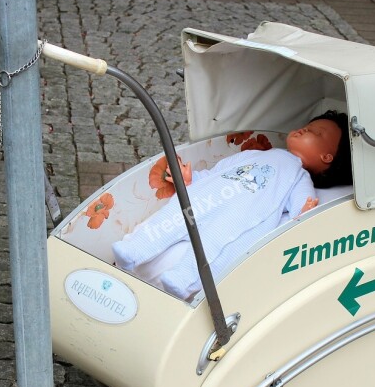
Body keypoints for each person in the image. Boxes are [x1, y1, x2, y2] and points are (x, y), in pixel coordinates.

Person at [112, 111, 351, 299]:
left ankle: (184, 279)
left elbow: (303, 210)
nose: (304, 129)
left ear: (326, 157)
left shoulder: (299, 177)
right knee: (174, 216)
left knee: (216, 242)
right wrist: (192, 179)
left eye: (315, 133)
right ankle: (135, 248)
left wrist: (304, 213)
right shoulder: (258, 154)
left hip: (238, 214)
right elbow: (219, 172)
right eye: (307, 125)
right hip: (211, 195)